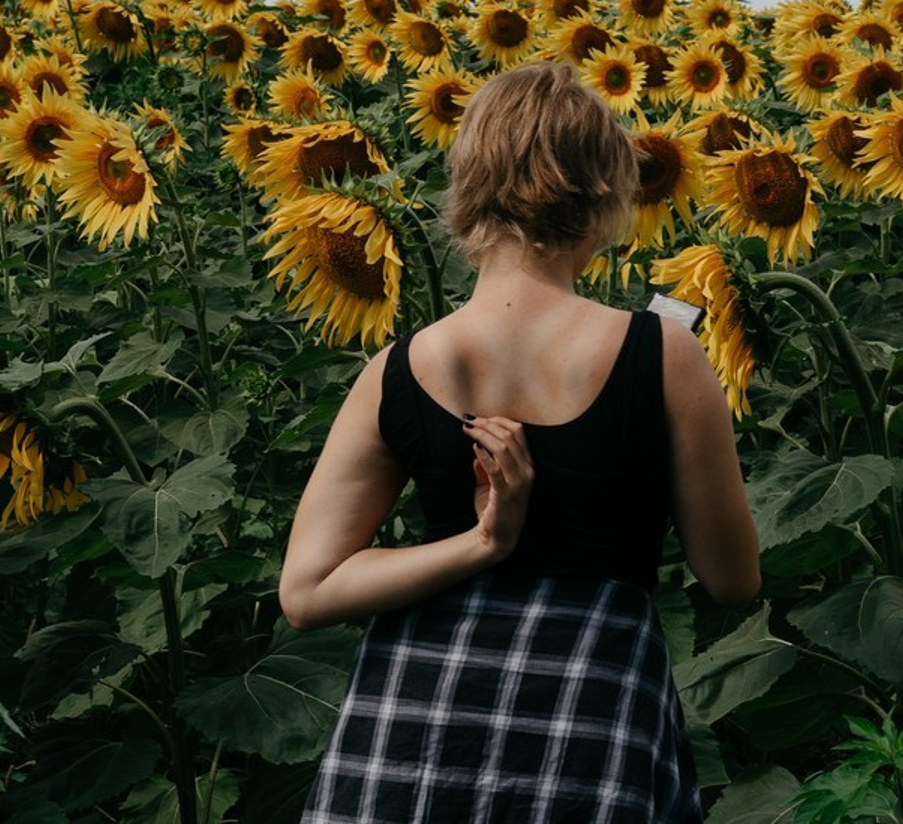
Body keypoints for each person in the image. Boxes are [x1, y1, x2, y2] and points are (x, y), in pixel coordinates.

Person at [279, 60, 760, 822]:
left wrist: (481, 546)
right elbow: (733, 580)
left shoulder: (398, 370)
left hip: (415, 735)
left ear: (468, 185)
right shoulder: (660, 355)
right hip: (587, 722)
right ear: (603, 193)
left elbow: (307, 592)